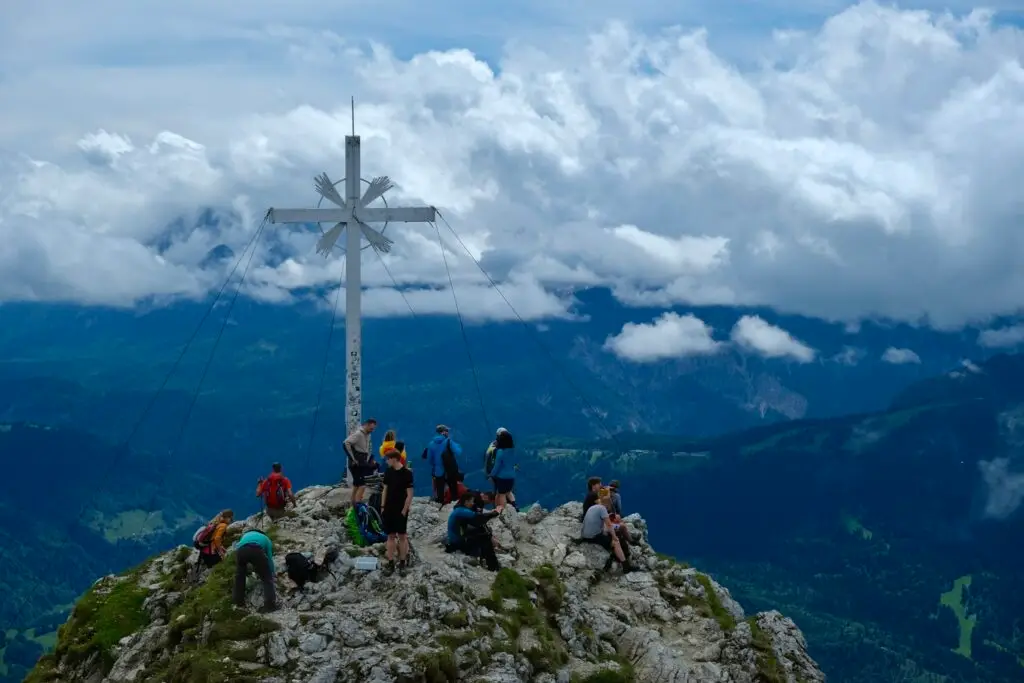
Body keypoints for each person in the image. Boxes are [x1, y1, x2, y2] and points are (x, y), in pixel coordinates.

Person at [446, 492, 503, 571]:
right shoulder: (462, 511)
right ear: (466, 502)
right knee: (485, 537)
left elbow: (478, 523)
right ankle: (493, 567)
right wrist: (495, 512)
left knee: (482, 532)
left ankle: (483, 557)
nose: (473, 503)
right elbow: (479, 518)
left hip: (456, 540)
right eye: (472, 501)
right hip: (458, 543)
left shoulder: (459, 510)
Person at [380, 449, 414, 575]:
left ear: (394, 459)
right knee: (390, 535)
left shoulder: (407, 473)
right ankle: (390, 561)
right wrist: (382, 506)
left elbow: (409, 494)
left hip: (401, 508)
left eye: (388, 459)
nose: (386, 461)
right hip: (389, 507)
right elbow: (385, 489)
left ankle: (402, 561)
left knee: (402, 536)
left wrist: (405, 509)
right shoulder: (388, 472)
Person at [580, 492, 633, 573]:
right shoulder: (602, 509)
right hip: (593, 537)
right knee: (616, 542)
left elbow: (603, 525)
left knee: (609, 533)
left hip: (585, 534)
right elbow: (608, 524)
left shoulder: (592, 507)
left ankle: (619, 555)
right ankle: (626, 566)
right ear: (607, 504)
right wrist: (614, 537)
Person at [232, 527, 277, 612]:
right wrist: (272, 572)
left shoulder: (245, 535)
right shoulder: (266, 538)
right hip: (256, 550)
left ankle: (238, 601)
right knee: (267, 578)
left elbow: (238, 546)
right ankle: (270, 605)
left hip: (241, 551)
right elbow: (269, 558)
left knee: (239, 577)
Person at [424, 424, 462, 507]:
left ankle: (439, 505)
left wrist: (436, 465)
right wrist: (457, 445)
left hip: (438, 471)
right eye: (447, 431)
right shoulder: (448, 441)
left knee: (439, 490)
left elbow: (430, 460)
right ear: (443, 432)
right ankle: (454, 505)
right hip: (449, 469)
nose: (448, 432)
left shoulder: (431, 444)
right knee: (453, 488)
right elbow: (459, 452)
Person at [343, 418, 378, 503]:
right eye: (371, 428)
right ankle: (358, 504)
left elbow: (366, 449)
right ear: (366, 425)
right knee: (362, 485)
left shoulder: (367, 435)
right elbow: (346, 443)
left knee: (356, 485)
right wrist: (353, 458)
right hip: (357, 463)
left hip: (362, 461)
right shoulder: (358, 434)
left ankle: (353, 504)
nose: (372, 430)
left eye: (373, 429)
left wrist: (369, 460)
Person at [489, 428, 518, 509]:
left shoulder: (500, 452)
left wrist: (491, 475)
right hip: (512, 476)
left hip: (502, 477)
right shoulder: (512, 450)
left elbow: (497, 466)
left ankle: (505, 511)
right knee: (509, 492)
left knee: (502, 494)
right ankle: (515, 506)